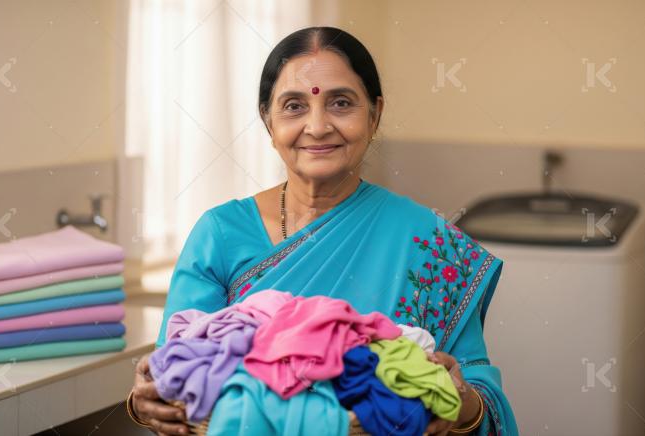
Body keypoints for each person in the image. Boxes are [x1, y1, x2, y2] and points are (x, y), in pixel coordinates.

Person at [127, 26, 518, 436]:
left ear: (375, 114)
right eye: (294, 106)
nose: (317, 126)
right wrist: (147, 401)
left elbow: (476, 386)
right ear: (268, 120)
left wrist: (462, 404)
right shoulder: (219, 234)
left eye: (341, 103)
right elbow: (175, 374)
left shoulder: (428, 240)